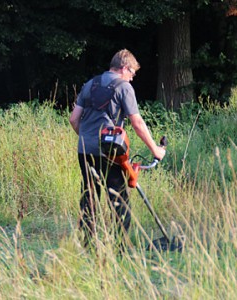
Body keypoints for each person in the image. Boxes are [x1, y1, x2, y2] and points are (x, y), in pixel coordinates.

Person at [68, 49, 166, 248]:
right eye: (132, 74)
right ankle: (118, 249)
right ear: (124, 68)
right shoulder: (124, 88)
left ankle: (88, 247)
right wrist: (156, 150)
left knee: (89, 197)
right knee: (119, 202)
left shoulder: (90, 84)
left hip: (84, 150)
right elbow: (137, 123)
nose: (131, 79)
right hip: (109, 151)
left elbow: (73, 119)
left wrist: (87, 139)